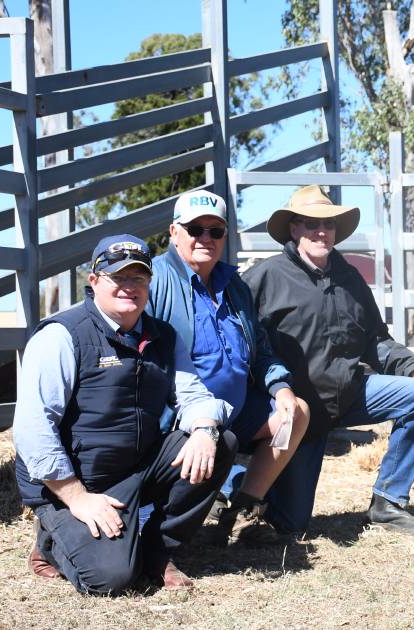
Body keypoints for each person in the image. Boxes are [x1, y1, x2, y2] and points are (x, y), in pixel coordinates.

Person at [13, 235, 236, 594]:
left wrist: (204, 430)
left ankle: (157, 551)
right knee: (111, 579)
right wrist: (77, 497)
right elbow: (32, 427)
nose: (129, 287)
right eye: (118, 277)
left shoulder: (162, 335)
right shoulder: (62, 335)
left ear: (149, 282)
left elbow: (194, 395)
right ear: (95, 280)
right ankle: (52, 542)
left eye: (138, 278)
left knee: (220, 442)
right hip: (76, 480)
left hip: (136, 466)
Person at [243, 185, 414, 535]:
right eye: (311, 224)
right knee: (290, 525)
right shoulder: (265, 277)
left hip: (351, 392)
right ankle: (242, 490)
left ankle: (388, 501)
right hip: (300, 412)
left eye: (329, 225)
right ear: (294, 230)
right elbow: (242, 344)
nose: (321, 232)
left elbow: (375, 340)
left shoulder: (350, 278)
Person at [148, 190, 309, 545]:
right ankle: (175, 520)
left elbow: (261, 350)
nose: (205, 238)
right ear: (174, 232)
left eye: (215, 231)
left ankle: (241, 508)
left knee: (296, 412)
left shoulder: (235, 285)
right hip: (181, 413)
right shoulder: (154, 281)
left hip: (236, 409)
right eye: (195, 229)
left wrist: (281, 388)